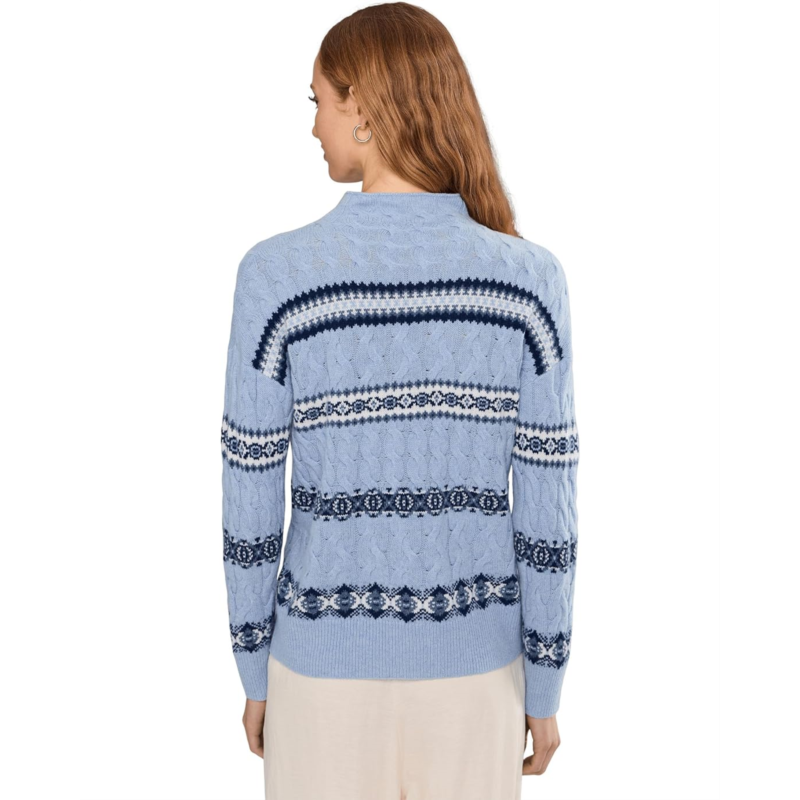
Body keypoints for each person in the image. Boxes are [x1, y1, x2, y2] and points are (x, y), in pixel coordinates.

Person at [220, 3, 579, 799]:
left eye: (319, 101)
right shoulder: (528, 282)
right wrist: (545, 679)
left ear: (364, 107)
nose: (314, 126)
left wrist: (253, 664)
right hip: (480, 682)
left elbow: (250, 493)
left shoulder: (277, 277)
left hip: (317, 680)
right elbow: (546, 506)